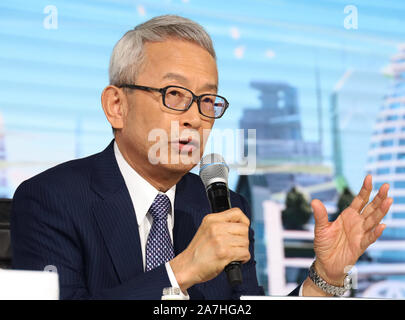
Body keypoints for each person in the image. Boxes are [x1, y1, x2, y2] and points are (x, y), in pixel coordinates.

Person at [11, 15, 392, 300]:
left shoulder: (222, 206)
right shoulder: (51, 199)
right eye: (174, 94)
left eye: (207, 100)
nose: (194, 117)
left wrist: (324, 277)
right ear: (116, 105)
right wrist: (180, 272)